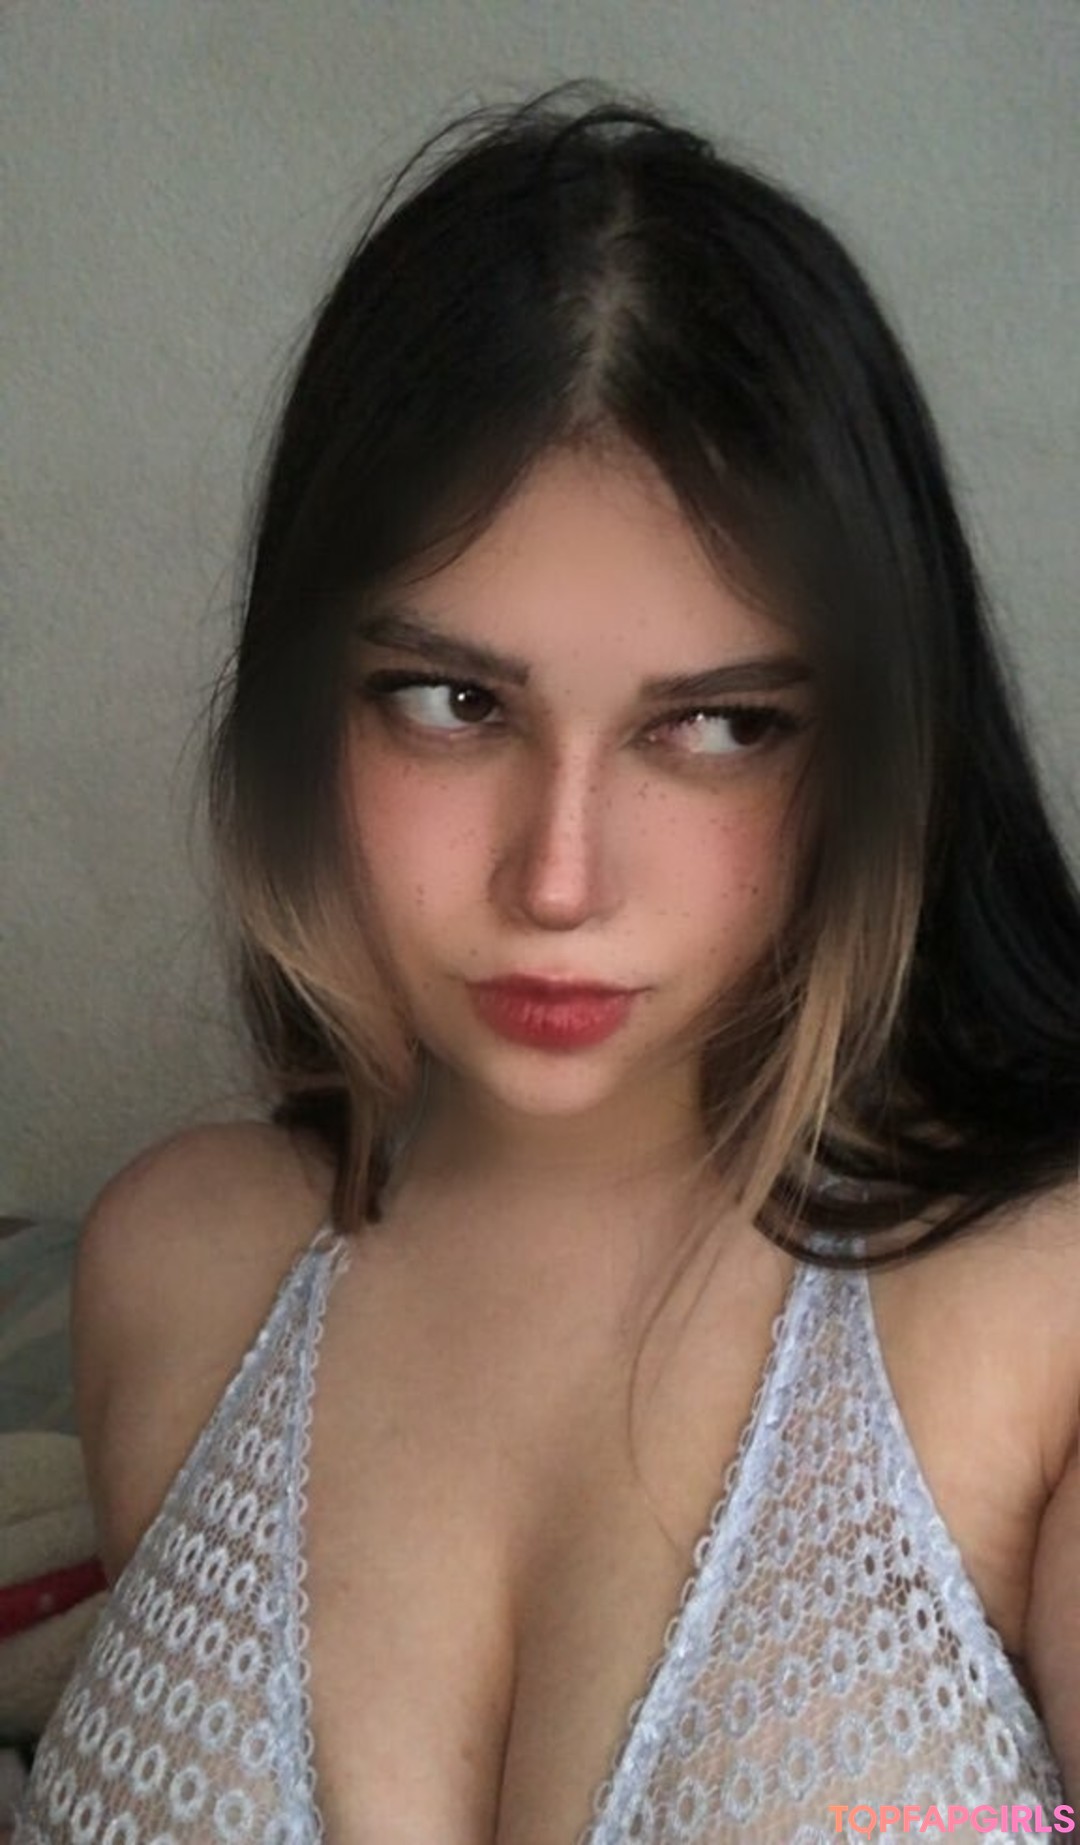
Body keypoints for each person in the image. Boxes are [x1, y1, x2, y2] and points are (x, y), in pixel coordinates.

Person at [13, 81, 1080, 1845]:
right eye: (454, 702)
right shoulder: (178, 1269)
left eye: (715, 725)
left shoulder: (1040, 1298)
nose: (558, 878)